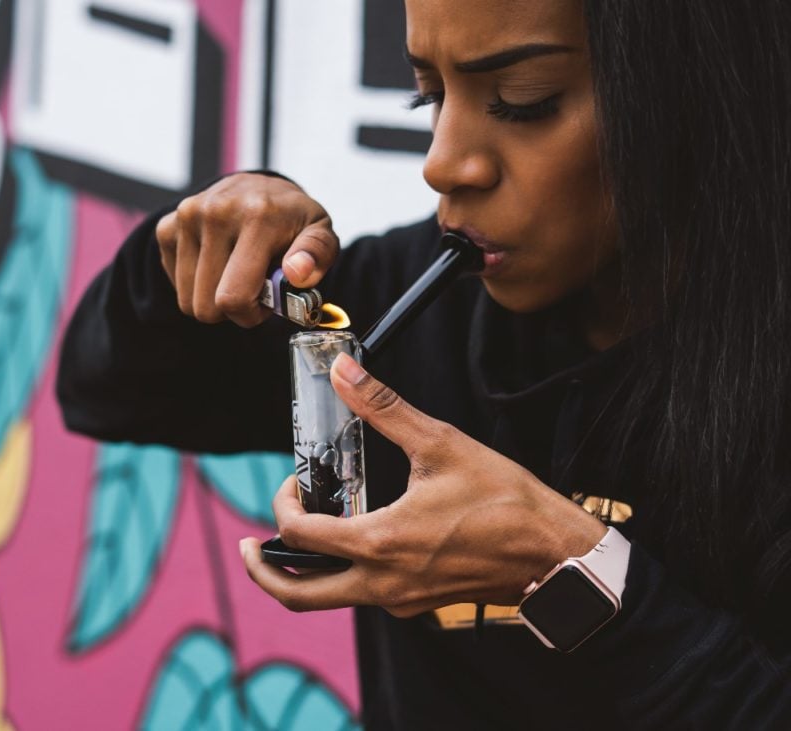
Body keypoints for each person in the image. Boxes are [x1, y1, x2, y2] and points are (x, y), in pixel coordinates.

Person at [56, 0, 791, 727]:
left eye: (519, 101)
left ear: (691, 87)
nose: (444, 162)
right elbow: (103, 386)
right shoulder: (407, 309)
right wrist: (199, 249)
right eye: (430, 96)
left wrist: (567, 564)